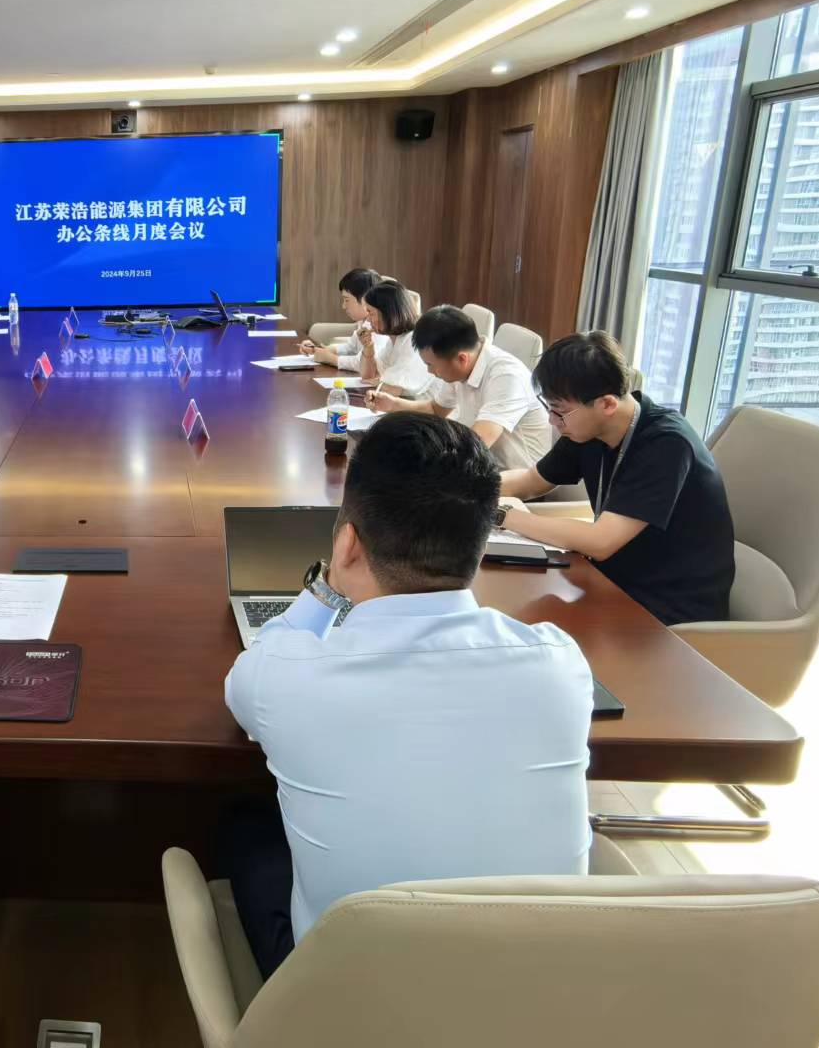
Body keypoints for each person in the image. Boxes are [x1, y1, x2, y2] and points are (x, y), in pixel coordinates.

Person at [220, 414, 594, 979]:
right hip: (540, 996)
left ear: (348, 543)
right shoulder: (560, 662)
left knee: (246, 824)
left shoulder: (283, 674)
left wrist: (326, 586)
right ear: (480, 544)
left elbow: (255, 668)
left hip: (346, 1004)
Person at [499, 331, 736, 625]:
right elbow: (532, 480)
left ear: (607, 404)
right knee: (514, 610)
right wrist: (470, 487)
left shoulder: (667, 444)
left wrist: (503, 515)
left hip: (666, 606)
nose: (552, 420)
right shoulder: (587, 427)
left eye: (559, 411)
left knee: (525, 622)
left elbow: (601, 541)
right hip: (613, 578)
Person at [367, 304, 552, 470]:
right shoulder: (460, 365)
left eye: (431, 365)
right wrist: (393, 404)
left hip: (515, 478)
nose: (430, 372)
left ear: (462, 359)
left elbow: (476, 446)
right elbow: (436, 409)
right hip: (482, 464)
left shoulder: (506, 377)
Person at [337, 280, 430, 394]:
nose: (368, 319)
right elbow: (368, 376)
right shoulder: (393, 341)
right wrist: (368, 347)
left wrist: (379, 382)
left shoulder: (412, 340)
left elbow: (395, 389)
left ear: (387, 313)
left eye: (371, 313)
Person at [298, 268, 383, 368]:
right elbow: (349, 348)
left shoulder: (378, 326)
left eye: (347, 300)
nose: (344, 306)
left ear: (366, 299)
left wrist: (331, 359)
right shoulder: (364, 323)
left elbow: (367, 364)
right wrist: (318, 349)